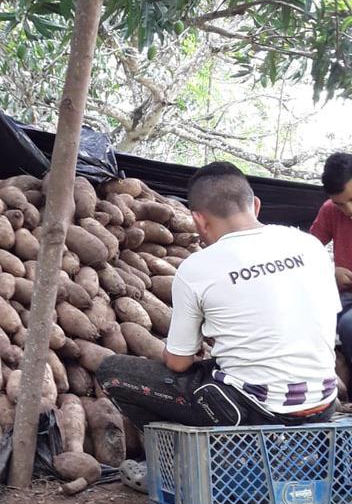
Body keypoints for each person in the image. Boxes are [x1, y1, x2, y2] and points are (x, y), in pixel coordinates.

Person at [96, 162, 340, 455]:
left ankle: (178, 463)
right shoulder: (310, 246)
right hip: (322, 406)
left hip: (250, 412)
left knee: (112, 371)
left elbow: (178, 364)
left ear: (198, 219)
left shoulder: (197, 267)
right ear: (256, 205)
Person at [310, 151, 352, 368]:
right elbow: (306, 253)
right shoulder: (330, 211)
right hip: (343, 297)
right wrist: (329, 273)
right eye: (340, 204)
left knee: (349, 324)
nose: (349, 210)